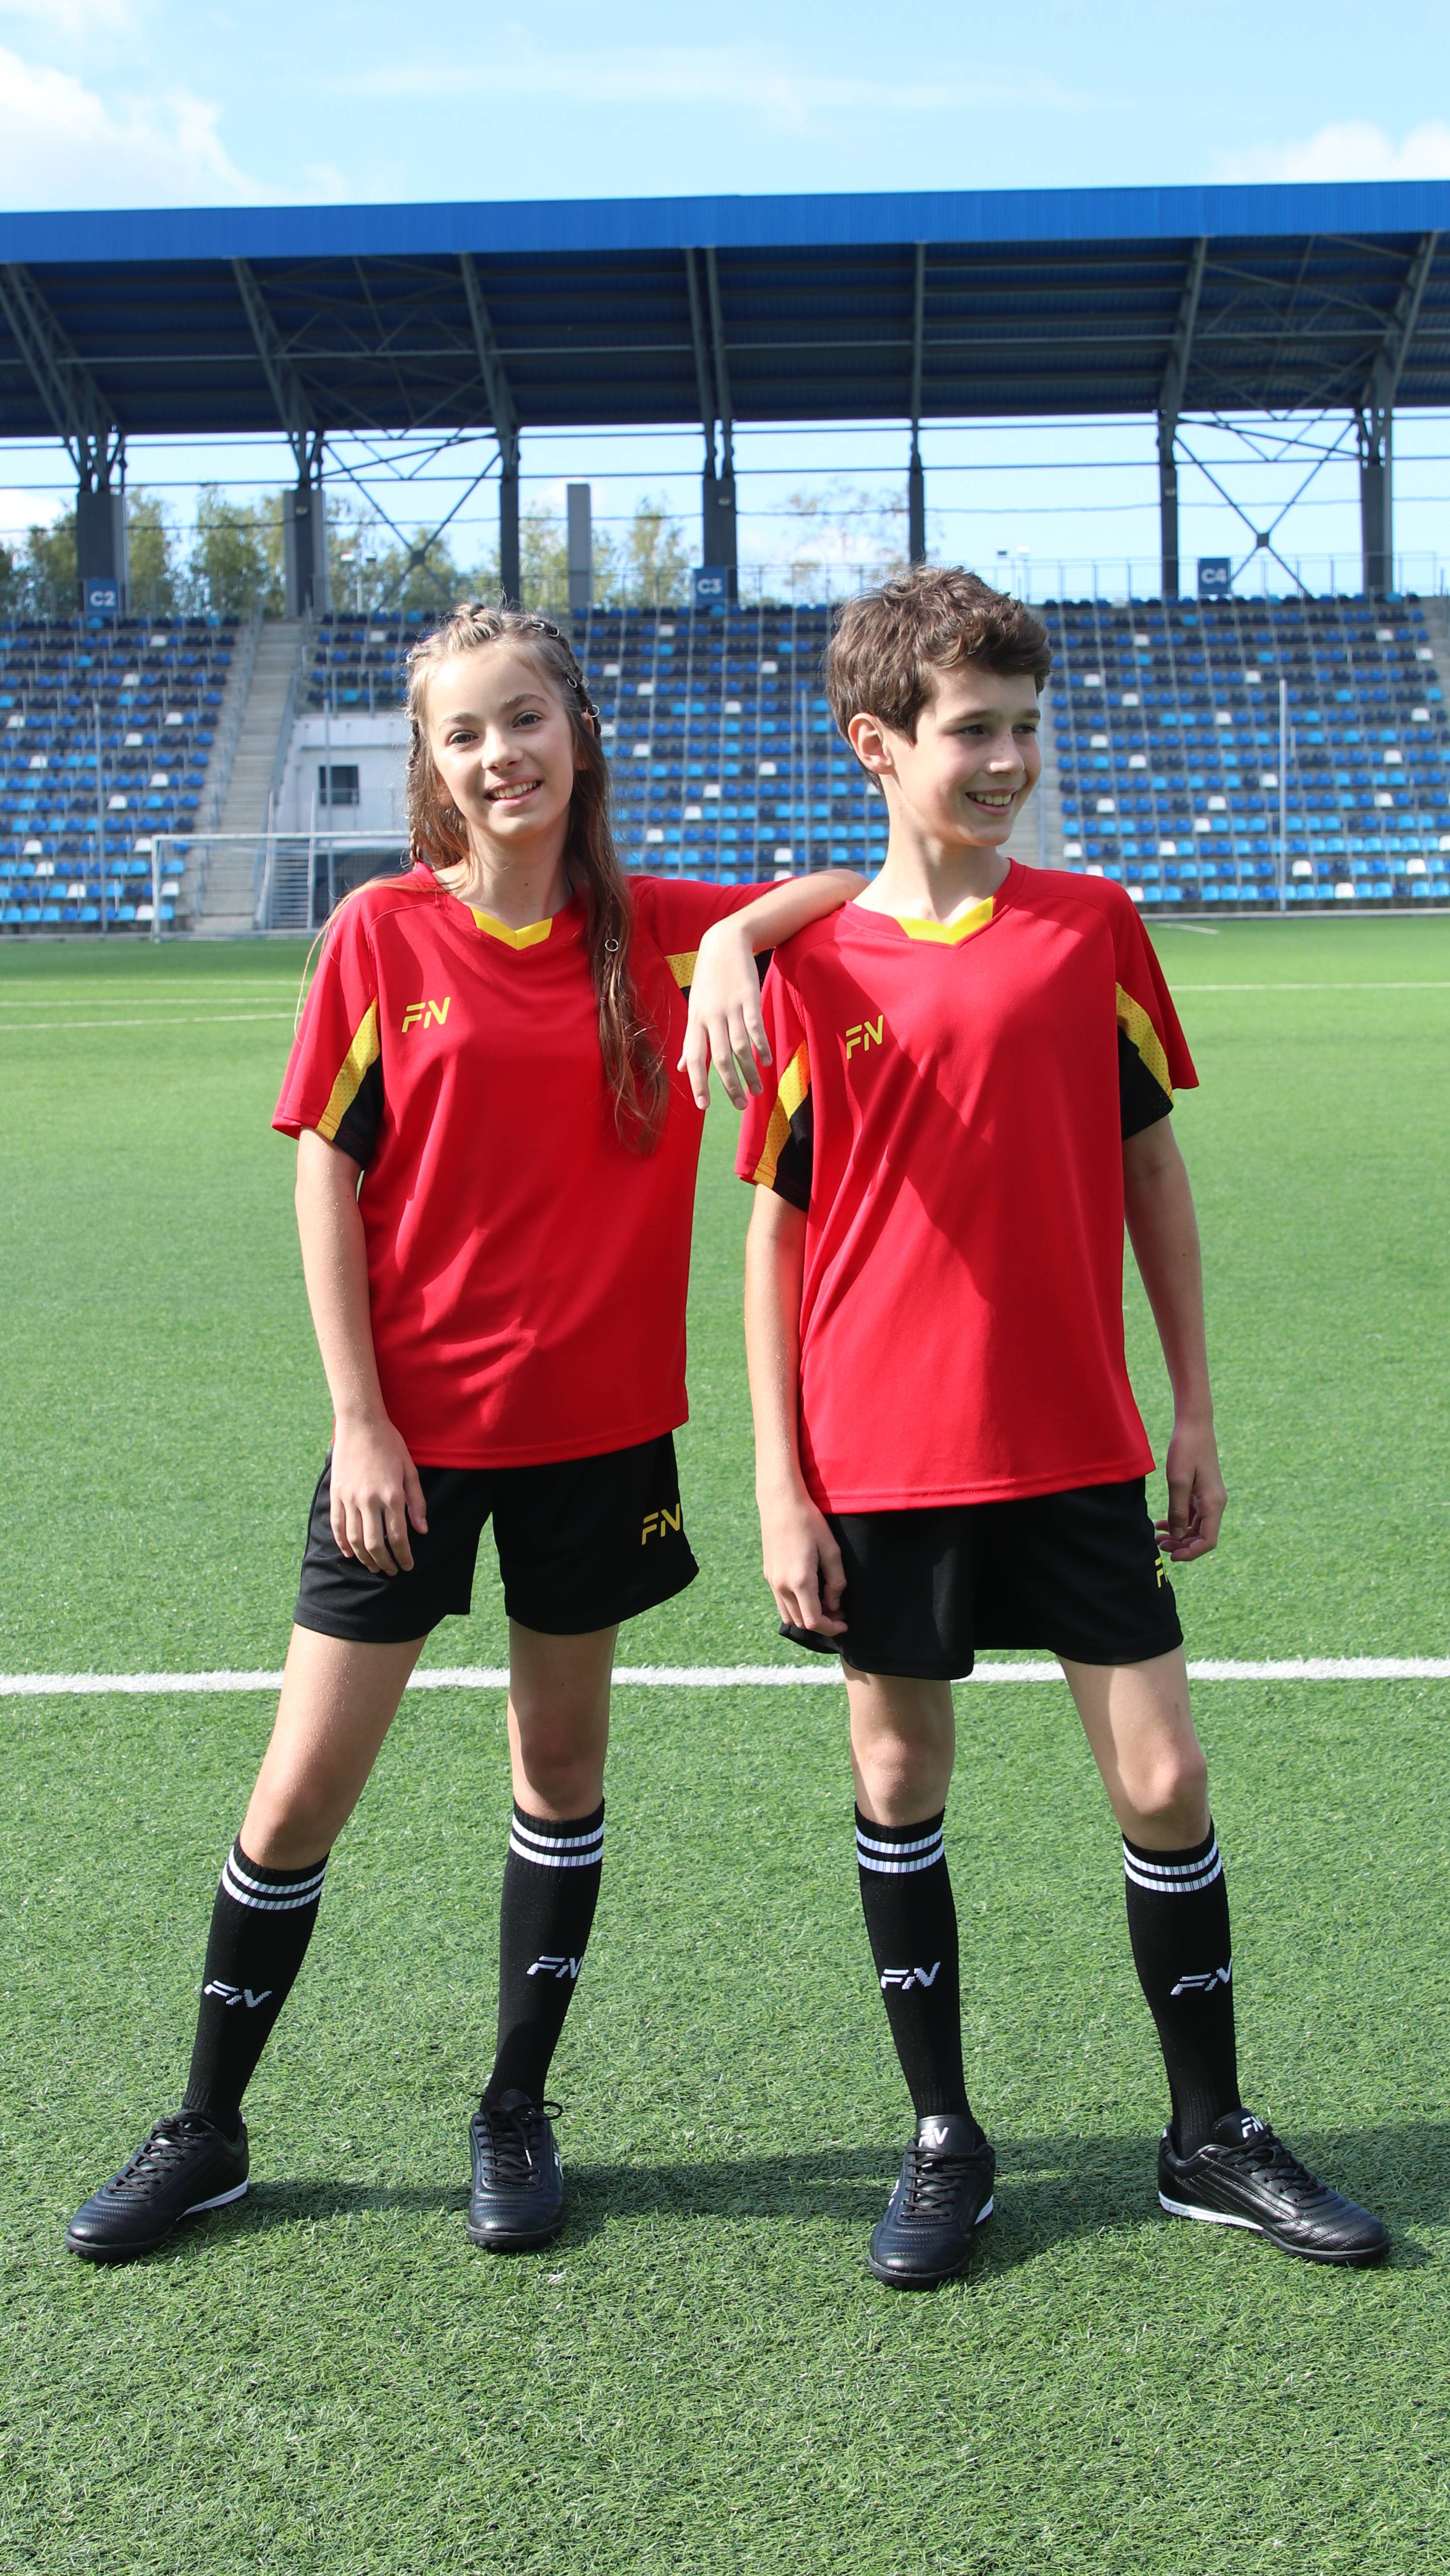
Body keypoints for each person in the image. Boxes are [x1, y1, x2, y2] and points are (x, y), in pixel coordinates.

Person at [66, 603, 862, 2265]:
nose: (501, 755)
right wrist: (358, 1420)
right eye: (464, 733)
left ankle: (514, 2103)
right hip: (409, 1447)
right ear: (431, 767)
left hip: (599, 1441)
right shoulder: (381, 933)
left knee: (558, 1770)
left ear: (578, 729)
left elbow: (867, 883)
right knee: (299, 1791)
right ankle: (206, 2125)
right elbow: (326, 1176)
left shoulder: (660, 931)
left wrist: (733, 939)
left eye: (525, 718)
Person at [737, 566, 1388, 2287]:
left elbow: (1150, 1171)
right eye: (973, 730)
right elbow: (777, 1237)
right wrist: (778, 1482)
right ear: (878, 744)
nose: (1009, 758)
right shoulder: (814, 965)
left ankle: (1208, 2133)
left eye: (1025, 726)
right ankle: (941, 2133)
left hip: (1077, 1441)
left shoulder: (1090, 925)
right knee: (899, 1775)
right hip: (880, 1451)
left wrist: (1192, 1405)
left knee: (1164, 1776)